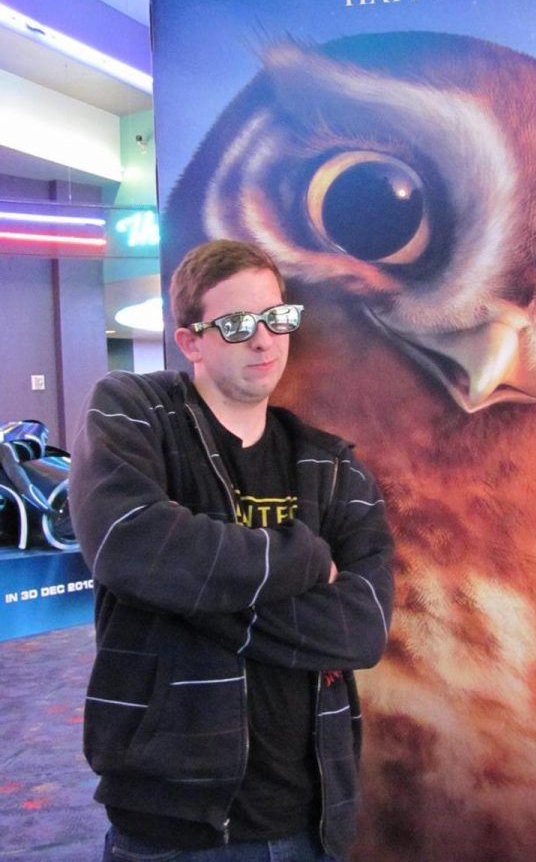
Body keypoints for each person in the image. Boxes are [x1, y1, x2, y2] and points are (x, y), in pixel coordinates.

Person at [69, 239, 394, 862]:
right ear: (191, 341)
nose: (265, 340)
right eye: (238, 324)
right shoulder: (135, 414)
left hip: (309, 810)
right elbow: (129, 542)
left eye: (277, 318)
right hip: (168, 814)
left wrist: (188, 592)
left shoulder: (331, 466)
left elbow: (363, 627)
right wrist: (302, 559)